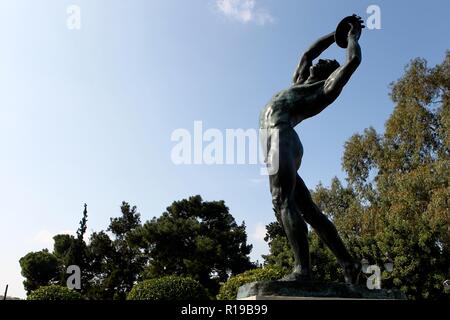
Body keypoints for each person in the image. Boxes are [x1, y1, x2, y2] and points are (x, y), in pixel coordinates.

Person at [260, 15, 365, 284]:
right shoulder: (298, 82)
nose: (319, 63)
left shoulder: (324, 89)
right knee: (310, 211)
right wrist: (336, 34)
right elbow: (308, 53)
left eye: (325, 65)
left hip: (282, 136)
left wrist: (352, 37)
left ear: (328, 73)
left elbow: (352, 62)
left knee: (281, 199)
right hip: (277, 141)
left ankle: (302, 272)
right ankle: (350, 265)